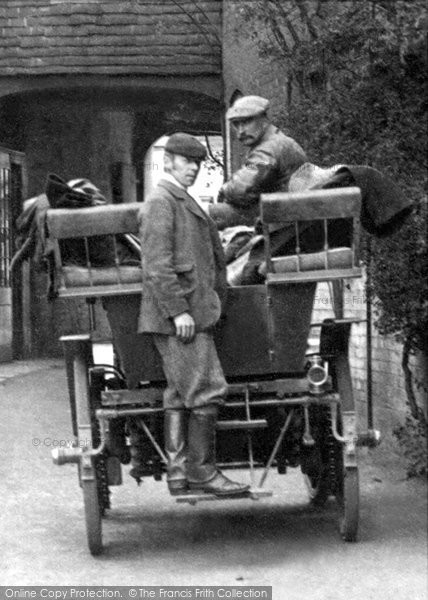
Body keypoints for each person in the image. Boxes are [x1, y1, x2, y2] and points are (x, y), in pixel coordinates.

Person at [138, 132, 249, 497]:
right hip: (180, 320)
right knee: (207, 390)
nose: (194, 170)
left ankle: (178, 472)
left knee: (178, 393)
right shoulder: (161, 201)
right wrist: (179, 313)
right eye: (187, 162)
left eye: (198, 164)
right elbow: (157, 266)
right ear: (169, 160)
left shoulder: (180, 200)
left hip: (191, 315)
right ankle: (201, 472)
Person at [209, 95, 307, 229]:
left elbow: (242, 189)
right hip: (284, 215)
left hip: (282, 222)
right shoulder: (277, 141)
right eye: (236, 124)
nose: (241, 131)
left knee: (207, 215)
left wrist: (225, 189)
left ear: (264, 119)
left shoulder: (270, 148)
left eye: (247, 122)